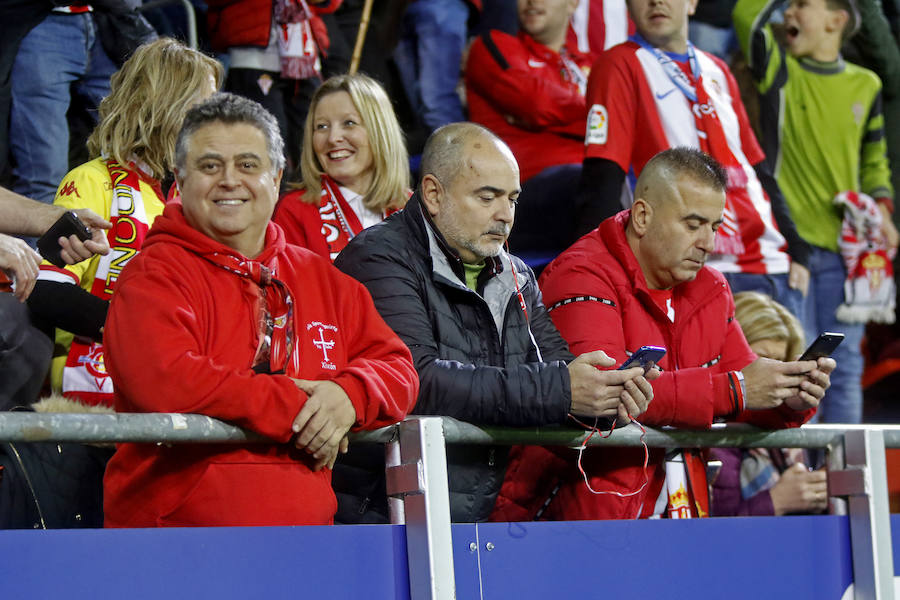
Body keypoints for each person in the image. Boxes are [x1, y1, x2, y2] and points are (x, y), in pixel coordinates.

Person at [101, 92, 418, 528]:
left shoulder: (322, 277)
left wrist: (349, 396)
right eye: (210, 166)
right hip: (173, 549)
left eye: (248, 165)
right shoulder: (152, 274)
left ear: (276, 175)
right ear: (179, 178)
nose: (230, 180)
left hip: (306, 550)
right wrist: (303, 411)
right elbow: (166, 381)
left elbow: (398, 368)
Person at [333, 122, 655, 523]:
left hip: (469, 519)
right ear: (433, 194)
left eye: (513, 199)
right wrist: (565, 389)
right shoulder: (379, 258)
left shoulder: (517, 276)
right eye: (488, 197)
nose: (505, 215)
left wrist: (605, 399)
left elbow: (557, 374)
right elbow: (417, 380)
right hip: (377, 517)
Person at [493, 148, 833, 521]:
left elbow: (748, 388)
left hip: (681, 523)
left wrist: (790, 398)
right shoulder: (581, 274)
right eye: (692, 224)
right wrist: (735, 389)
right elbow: (607, 395)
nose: (707, 243)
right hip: (572, 521)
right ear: (642, 216)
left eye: (715, 227)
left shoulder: (712, 290)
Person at [575, 0, 811, 321]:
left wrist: (798, 250)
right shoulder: (619, 64)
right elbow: (603, 174)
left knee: (808, 371)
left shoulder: (718, 69)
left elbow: (756, 168)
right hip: (700, 270)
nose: (656, 1)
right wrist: (595, 270)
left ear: (692, 2)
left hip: (775, 264)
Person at [26, 38, 223, 407]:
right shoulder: (92, 180)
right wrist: (139, 331)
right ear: (164, 105)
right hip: (90, 394)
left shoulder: (192, 200)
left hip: (173, 382)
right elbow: (46, 290)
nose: (214, 123)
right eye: (204, 108)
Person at [733, 0, 898, 424]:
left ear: (836, 20)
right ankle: (803, 476)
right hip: (794, 250)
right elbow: (746, 16)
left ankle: (848, 484)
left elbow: (874, 158)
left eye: (802, 5)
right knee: (798, 369)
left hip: (850, 255)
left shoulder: (867, 84)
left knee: (842, 371)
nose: (789, 14)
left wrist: (882, 206)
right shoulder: (780, 71)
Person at [466, 0, 595, 256]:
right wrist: (595, 113)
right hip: (517, 194)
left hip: (588, 182)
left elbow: (625, 117)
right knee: (592, 180)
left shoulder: (594, 65)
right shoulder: (496, 45)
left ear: (572, 4)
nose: (532, 2)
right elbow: (536, 103)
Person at [710, 291, 829, 516]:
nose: (776, 373)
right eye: (761, 359)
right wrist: (777, 501)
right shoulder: (709, 435)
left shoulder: (791, 434)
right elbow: (709, 537)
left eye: (782, 362)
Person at [273, 73, 410, 261]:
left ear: (380, 131)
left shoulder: (411, 208)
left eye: (349, 123)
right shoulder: (295, 211)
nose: (333, 138)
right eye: (321, 126)